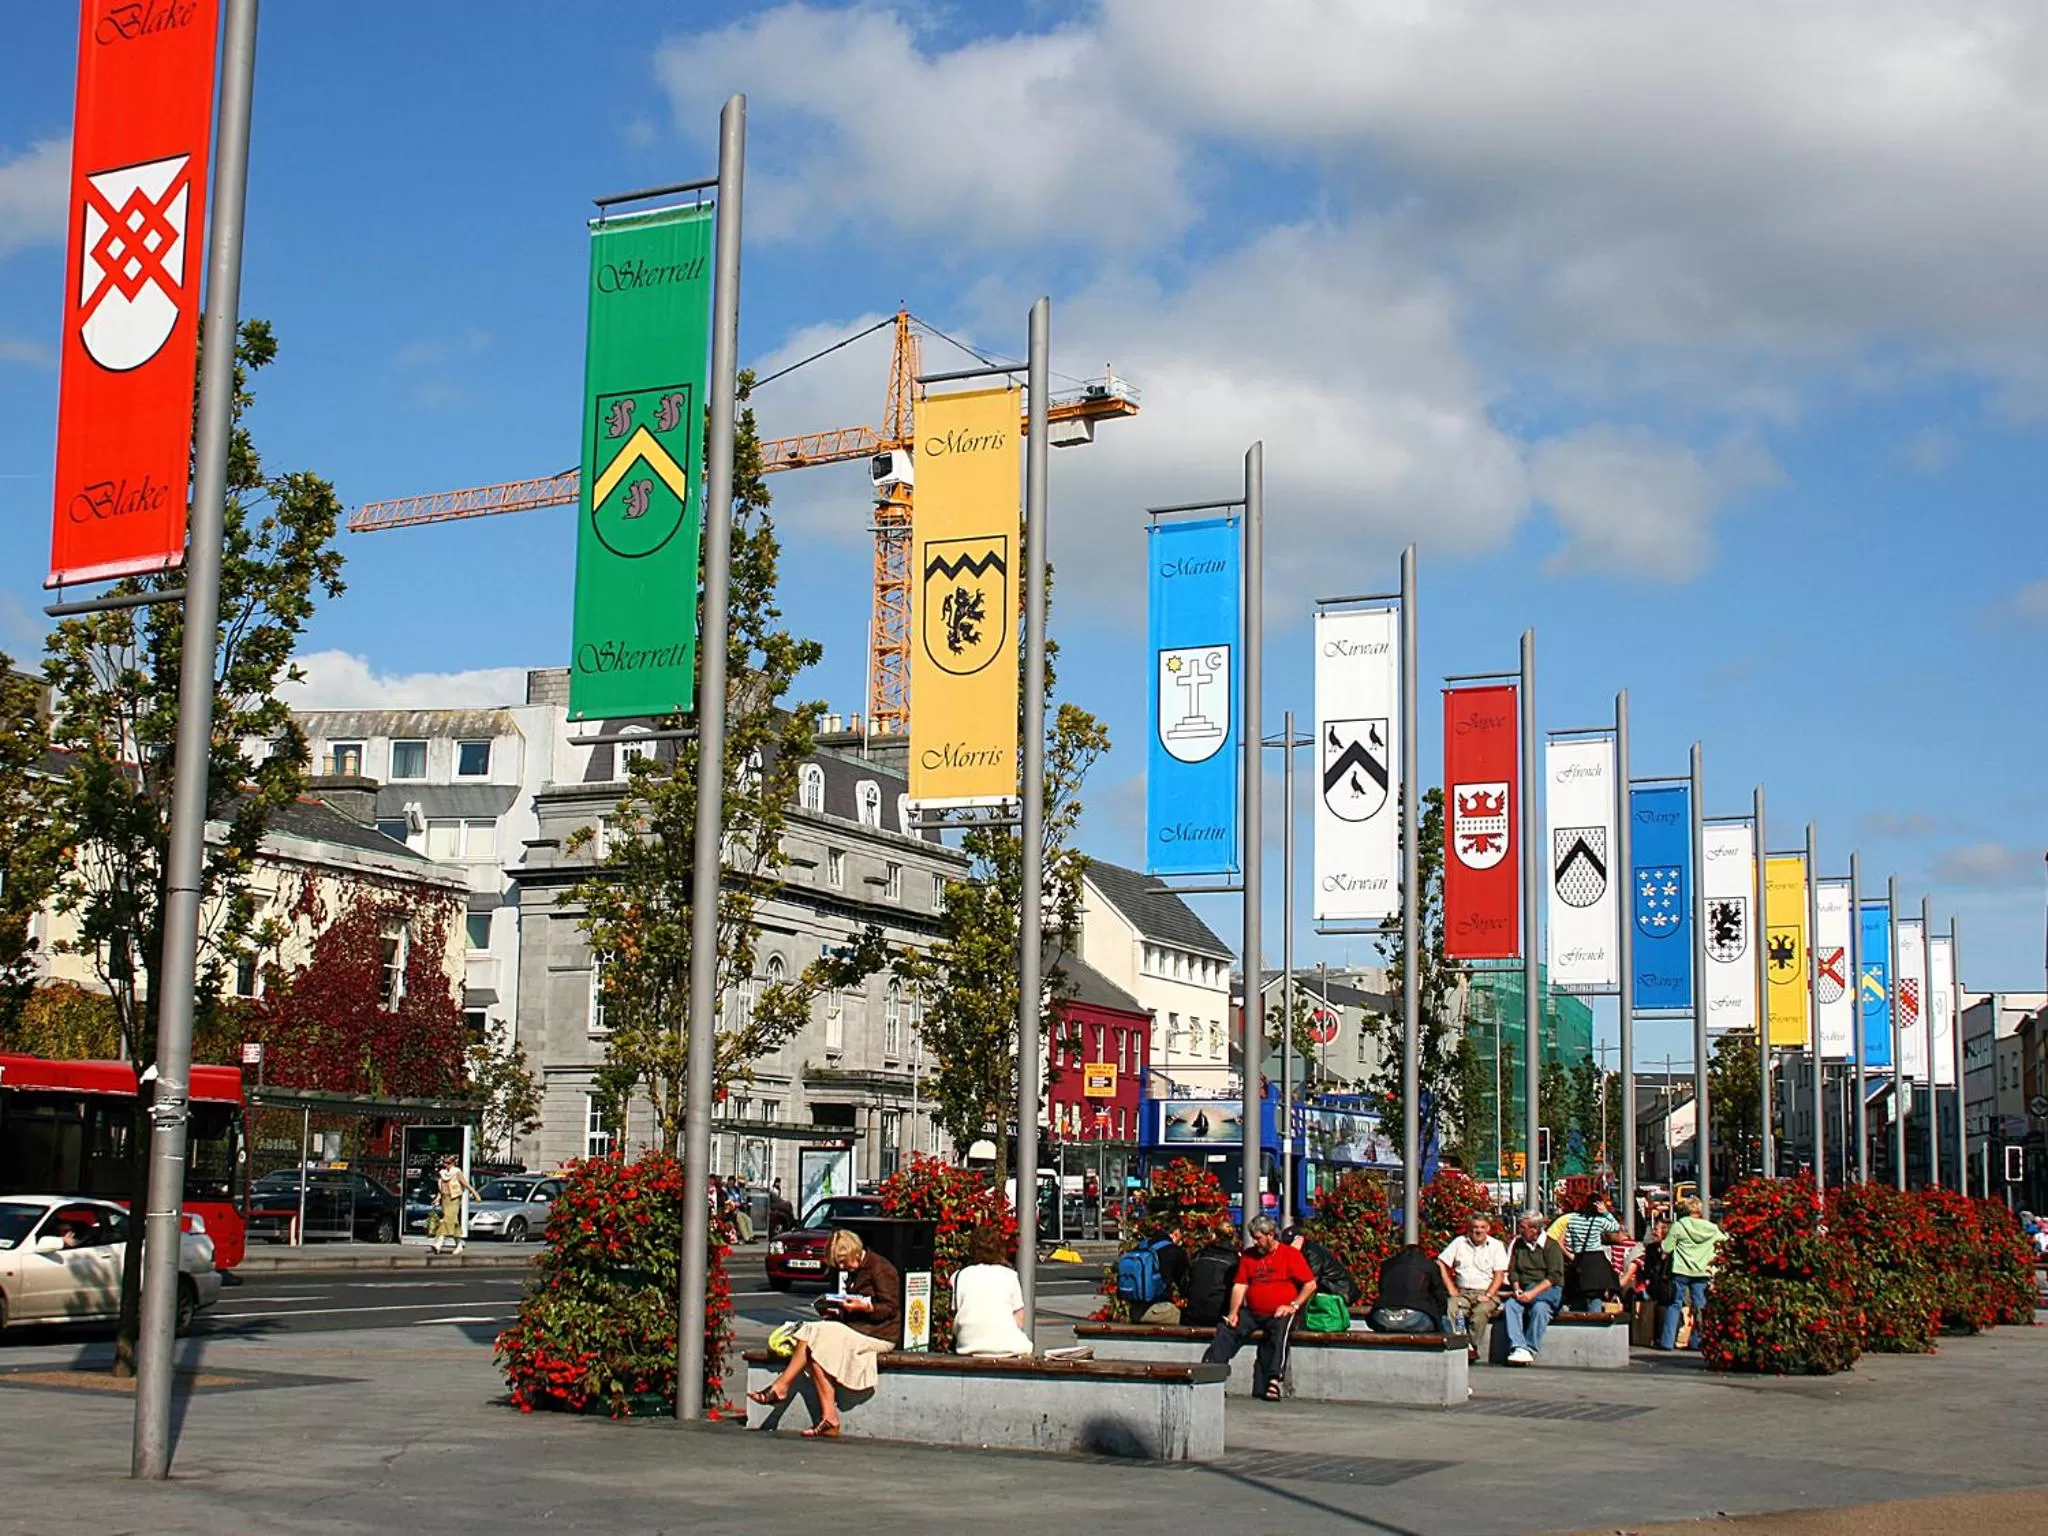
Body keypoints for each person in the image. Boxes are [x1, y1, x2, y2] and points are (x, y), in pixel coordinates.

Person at [749, 1229, 901, 1437]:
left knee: (811, 1332)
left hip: (879, 1335)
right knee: (814, 1349)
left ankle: (781, 1387)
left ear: (855, 1253)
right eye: (838, 1264)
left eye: (843, 1262)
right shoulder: (851, 1271)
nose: (841, 1267)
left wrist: (864, 1307)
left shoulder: (881, 1269)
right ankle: (829, 1419)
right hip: (855, 1330)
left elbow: (890, 1308)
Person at [1202, 1216, 1317, 1401]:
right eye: (1253, 1238)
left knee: (1280, 1330)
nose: (1255, 1242)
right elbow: (1240, 1286)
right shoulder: (1248, 1256)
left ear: (1271, 1235)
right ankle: (1213, 1372)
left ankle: (1274, 1379)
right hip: (1254, 1312)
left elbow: (1310, 1284)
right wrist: (1233, 1312)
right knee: (1227, 1328)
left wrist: (1293, 1305)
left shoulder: (1290, 1254)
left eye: (1258, 1238)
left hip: (1281, 1311)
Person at [1435, 1213, 1509, 1361]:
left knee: (1481, 1311)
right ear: (1469, 1229)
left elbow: (1499, 1275)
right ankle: (1458, 1344)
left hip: (1486, 1291)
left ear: (1488, 1229)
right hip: (1462, 1292)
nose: (1478, 1231)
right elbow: (1440, 1263)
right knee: (1452, 1307)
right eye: (1475, 1227)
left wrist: (1488, 1295)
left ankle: (1472, 1346)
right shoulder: (1459, 1243)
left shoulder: (1496, 1245)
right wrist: (1451, 1288)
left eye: (1482, 1227)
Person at [952, 1224, 1034, 1357]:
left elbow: (956, 1315)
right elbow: (1019, 1320)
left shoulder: (959, 1276)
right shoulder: (1009, 1275)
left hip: (968, 1346)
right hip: (1009, 1347)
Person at [1657, 1197, 1725, 1351]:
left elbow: (1666, 1248)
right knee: (1700, 1306)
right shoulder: (1712, 1228)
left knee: (1675, 1304)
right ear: (1700, 1210)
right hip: (1702, 1271)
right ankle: (1697, 1342)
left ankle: (1667, 1342)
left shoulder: (1679, 1226)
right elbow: (1725, 1242)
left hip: (1681, 1271)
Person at [1502, 1211, 1566, 1364]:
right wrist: (1517, 1288)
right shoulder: (1519, 1244)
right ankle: (1519, 1346)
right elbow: (1514, 1271)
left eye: (1522, 1227)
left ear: (1535, 1229)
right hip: (1526, 1288)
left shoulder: (1551, 1246)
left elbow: (1554, 1276)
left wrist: (1532, 1294)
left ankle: (1530, 1348)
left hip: (1546, 1289)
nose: (1519, 1230)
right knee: (1511, 1305)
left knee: (1540, 1308)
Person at [1369, 1243, 1450, 1333]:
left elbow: (1382, 1290)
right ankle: (1454, 1346)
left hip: (1382, 1316)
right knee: (1444, 1320)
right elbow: (1440, 1297)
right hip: (1415, 1317)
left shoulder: (1387, 1265)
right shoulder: (1428, 1266)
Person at [1561, 1192, 1623, 1309]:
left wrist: (1574, 1252)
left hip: (1580, 1260)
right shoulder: (1599, 1220)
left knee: (1578, 1296)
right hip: (1597, 1261)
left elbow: (1568, 1241)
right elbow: (1615, 1227)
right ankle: (1595, 1321)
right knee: (1595, 1297)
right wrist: (1605, 1213)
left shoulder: (1573, 1219)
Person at [1181, 1230, 1240, 1329]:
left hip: (1194, 1314)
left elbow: (1184, 1285)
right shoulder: (1234, 1260)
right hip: (1220, 1315)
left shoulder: (1200, 1255)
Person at [429, 1156, 477, 1256]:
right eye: (444, 1163)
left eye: (447, 1163)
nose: (445, 1165)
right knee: (453, 1223)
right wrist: (437, 1199)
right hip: (445, 1200)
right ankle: (459, 1245)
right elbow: (441, 1189)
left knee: (446, 1220)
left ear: (452, 1163)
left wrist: (476, 1194)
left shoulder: (457, 1172)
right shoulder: (442, 1173)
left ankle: (438, 1244)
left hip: (454, 1199)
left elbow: (466, 1184)